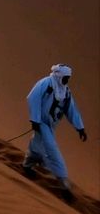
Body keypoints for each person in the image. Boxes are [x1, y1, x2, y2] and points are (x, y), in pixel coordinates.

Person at [22, 64, 87, 202]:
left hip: (50, 125)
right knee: (52, 149)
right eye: (66, 78)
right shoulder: (46, 83)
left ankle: (27, 165)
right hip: (41, 122)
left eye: (68, 78)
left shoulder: (65, 91)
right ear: (59, 75)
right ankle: (64, 185)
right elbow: (33, 97)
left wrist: (80, 128)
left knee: (36, 146)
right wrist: (35, 118)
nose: (67, 81)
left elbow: (72, 110)